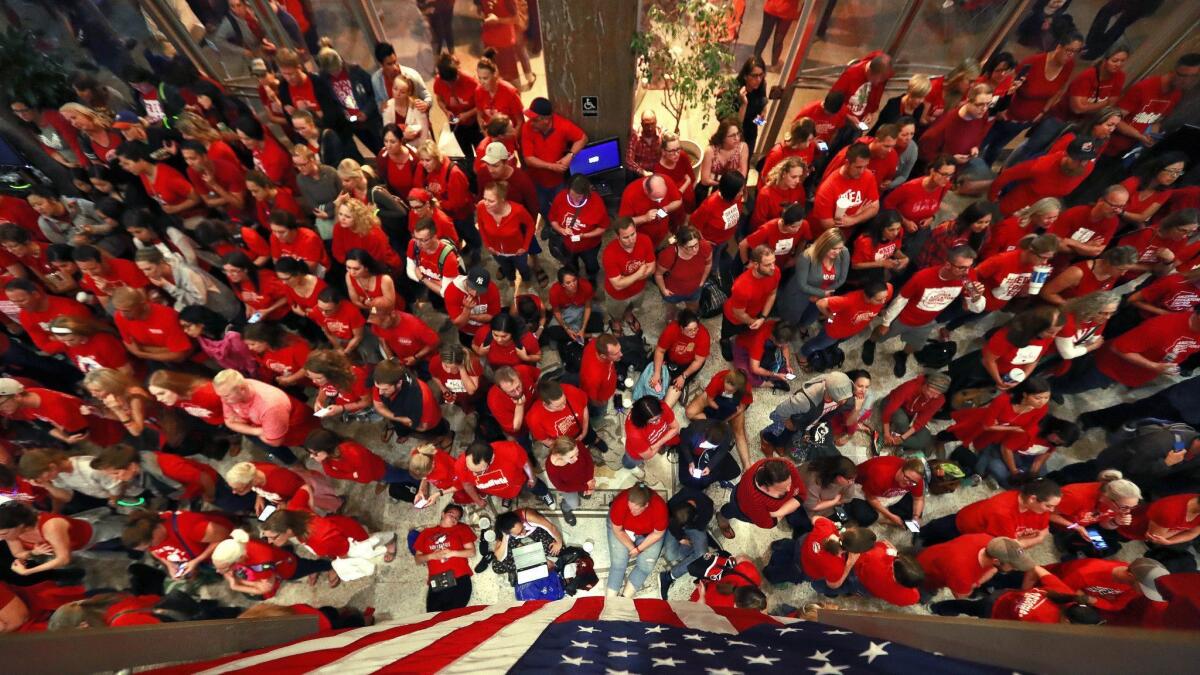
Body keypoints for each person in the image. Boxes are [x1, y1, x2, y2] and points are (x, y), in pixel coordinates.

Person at [863, 245, 985, 378]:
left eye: (970, 266)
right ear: (948, 264)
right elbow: (901, 300)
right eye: (962, 267)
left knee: (916, 345)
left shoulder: (968, 276)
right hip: (904, 318)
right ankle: (870, 342)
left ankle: (902, 355)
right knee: (881, 333)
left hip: (928, 321)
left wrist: (977, 298)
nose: (967, 271)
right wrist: (886, 323)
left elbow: (977, 309)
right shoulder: (922, 277)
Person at [1006, 43, 1129, 167]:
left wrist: (1091, 105)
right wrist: (1103, 103)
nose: (1118, 64)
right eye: (1115, 60)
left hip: (1080, 125)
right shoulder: (1088, 76)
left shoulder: (1119, 77)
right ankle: (1007, 170)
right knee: (1033, 145)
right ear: (1105, 59)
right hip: (1059, 117)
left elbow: (1111, 103)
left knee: (1049, 153)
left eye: (1122, 61)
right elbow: (1077, 108)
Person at [981, 31, 1083, 166]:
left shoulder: (1068, 66)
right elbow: (1007, 84)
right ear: (1059, 47)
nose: (1071, 55)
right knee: (982, 142)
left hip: (1026, 120)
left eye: (1075, 52)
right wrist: (1001, 108)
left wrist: (1043, 111)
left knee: (997, 148)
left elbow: (1058, 90)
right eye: (1069, 50)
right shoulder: (1033, 62)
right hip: (1005, 116)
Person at [1055, 304, 1200, 396]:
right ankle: (1049, 390)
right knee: (1074, 385)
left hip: (1131, 373)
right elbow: (1119, 348)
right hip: (1108, 367)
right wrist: (1154, 366)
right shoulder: (1161, 328)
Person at [921, 480, 1061, 548]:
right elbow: (1009, 546)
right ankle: (919, 535)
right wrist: (1038, 539)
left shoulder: (1040, 509)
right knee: (932, 538)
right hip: (961, 528)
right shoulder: (1002, 512)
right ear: (1032, 498)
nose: (1051, 511)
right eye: (1049, 506)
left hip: (976, 529)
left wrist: (1039, 534)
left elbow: (1044, 528)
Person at [988, 137, 1098, 215]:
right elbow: (1007, 175)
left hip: (1039, 215)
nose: (1082, 163)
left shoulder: (1088, 167)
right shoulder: (1042, 165)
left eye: (1086, 160)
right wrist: (992, 197)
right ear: (1066, 154)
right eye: (1078, 159)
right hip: (1014, 208)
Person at [212, 529, 335, 598]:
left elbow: (266, 587)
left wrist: (236, 584)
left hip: (289, 568)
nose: (218, 571)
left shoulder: (261, 566)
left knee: (308, 566)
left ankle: (330, 566)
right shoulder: (238, 544)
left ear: (239, 559)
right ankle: (313, 568)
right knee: (306, 564)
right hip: (279, 557)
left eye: (224, 568)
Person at [121, 509, 234, 580]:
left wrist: (198, 560)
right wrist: (170, 564)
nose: (150, 548)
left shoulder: (190, 527)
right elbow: (155, 551)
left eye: (149, 545)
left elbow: (225, 536)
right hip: (201, 562)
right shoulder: (151, 540)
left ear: (155, 531)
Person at [918, 534, 1035, 599]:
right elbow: (961, 595)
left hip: (931, 553)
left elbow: (993, 569)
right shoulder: (963, 576)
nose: (1015, 569)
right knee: (923, 593)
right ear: (996, 561)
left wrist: (977, 582)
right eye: (1013, 566)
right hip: (925, 575)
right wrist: (975, 584)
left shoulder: (987, 540)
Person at [716, 457, 806, 540]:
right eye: (782, 489)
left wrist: (777, 513)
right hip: (741, 506)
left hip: (744, 493)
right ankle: (722, 516)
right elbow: (768, 523)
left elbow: (802, 494)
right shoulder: (755, 500)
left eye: (789, 483)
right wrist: (790, 505)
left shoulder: (782, 466)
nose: (789, 489)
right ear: (766, 487)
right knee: (732, 510)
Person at [778, 229, 849, 331]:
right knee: (790, 319)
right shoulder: (807, 257)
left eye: (840, 248)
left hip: (822, 294)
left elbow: (842, 279)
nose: (837, 252)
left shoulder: (844, 253)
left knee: (808, 320)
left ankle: (797, 329)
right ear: (825, 245)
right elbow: (802, 284)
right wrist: (821, 293)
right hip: (800, 293)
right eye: (834, 249)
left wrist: (823, 294)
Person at [606, 484, 667, 597]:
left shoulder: (659, 507)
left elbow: (658, 533)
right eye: (630, 507)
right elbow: (618, 531)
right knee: (618, 565)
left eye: (635, 509)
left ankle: (625, 598)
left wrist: (639, 549)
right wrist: (632, 548)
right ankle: (609, 603)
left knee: (645, 567)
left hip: (649, 535)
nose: (631, 511)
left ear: (646, 505)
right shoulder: (620, 502)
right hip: (623, 531)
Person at [455, 441, 553, 510]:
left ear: (492, 459)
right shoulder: (460, 465)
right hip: (497, 489)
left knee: (535, 486)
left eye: (479, 471)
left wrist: (532, 478)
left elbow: (525, 463)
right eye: (469, 468)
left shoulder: (510, 450)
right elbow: (467, 484)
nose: (474, 474)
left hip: (520, 481)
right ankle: (508, 497)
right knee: (505, 494)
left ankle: (544, 493)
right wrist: (477, 500)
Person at [412, 504, 476, 611]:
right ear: (443, 514)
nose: (454, 519)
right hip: (437, 581)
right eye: (451, 514)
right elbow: (418, 559)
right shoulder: (426, 533)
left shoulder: (461, 529)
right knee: (433, 618)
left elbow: (472, 552)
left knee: (452, 617)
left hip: (459, 578)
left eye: (457, 518)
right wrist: (432, 556)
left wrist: (452, 553)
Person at [372, 360, 449, 443]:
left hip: (427, 423)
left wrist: (406, 423)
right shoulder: (384, 381)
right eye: (378, 387)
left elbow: (423, 427)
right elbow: (379, 406)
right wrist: (401, 419)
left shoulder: (421, 397)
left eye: (385, 389)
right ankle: (404, 434)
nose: (380, 392)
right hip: (403, 418)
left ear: (399, 383)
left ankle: (446, 438)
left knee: (434, 434)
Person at [810, 143, 880, 234]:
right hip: (823, 237)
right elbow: (827, 225)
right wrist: (858, 216)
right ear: (847, 163)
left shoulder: (868, 175)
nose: (862, 171)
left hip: (847, 235)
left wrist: (854, 219)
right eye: (858, 167)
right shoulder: (828, 187)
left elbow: (875, 207)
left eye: (865, 166)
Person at [800, 517, 877, 597]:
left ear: (849, 530)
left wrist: (832, 524)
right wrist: (849, 564)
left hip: (798, 546)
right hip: (801, 569)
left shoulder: (826, 526)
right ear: (854, 552)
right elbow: (833, 585)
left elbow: (814, 519)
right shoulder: (837, 567)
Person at [659, 487, 714, 597]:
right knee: (672, 556)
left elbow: (699, 526)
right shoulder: (678, 499)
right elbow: (669, 518)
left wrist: (688, 533)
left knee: (702, 556)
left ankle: (669, 576)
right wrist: (680, 537)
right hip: (674, 523)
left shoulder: (706, 509)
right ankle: (700, 547)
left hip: (695, 526)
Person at [486, 508, 564, 584]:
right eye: (519, 533)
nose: (523, 533)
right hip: (513, 540)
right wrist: (505, 538)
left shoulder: (529, 516)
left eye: (522, 528)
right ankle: (530, 557)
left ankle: (523, 561)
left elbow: (551, 528)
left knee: (559, 551)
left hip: (535, 531)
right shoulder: (504, 532)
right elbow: (498, 557)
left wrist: (559, 543)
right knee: (497, 567)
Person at [544, 437, 595, 528]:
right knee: (574, 504)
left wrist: (590, 480)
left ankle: (582, 491)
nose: (576, 458)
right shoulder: (551, 468)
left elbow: (588, 460)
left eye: (577, 453)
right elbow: (561, 487)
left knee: (587, 494)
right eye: (571, 457)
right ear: (558, 455)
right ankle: (565, 508)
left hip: (583, 479)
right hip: (569, 487)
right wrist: (585, 487)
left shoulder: (576, 444)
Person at [622, 396, 680, 471]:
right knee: (628, 463)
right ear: (643, 420)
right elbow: (648, 455)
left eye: (659, 416)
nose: (659, 421)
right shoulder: (634, 433)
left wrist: (657, 444)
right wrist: (664, 439)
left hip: (656, 442)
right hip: (637, 453)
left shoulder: (661, 407)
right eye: (654, 420)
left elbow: (676, 428)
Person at [698, 118, 749, 201]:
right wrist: (723, 186)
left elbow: (742, 174)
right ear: (723, 137)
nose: (737, 138)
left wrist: (729, 187)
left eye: (738, 134)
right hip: (710, 188)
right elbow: (705, 180)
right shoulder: (710, 151)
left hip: (732, 189)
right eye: (732, 135)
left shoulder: (743, 147)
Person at [627, 110, 664, 176]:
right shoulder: (635, 136)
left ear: (656, 122)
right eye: (647, 125)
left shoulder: (662, 133)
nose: (650, 128)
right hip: (641, 174)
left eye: (652, 124)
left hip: (659, 172)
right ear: (641, 124)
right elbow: (628, 160)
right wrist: (642, 172)